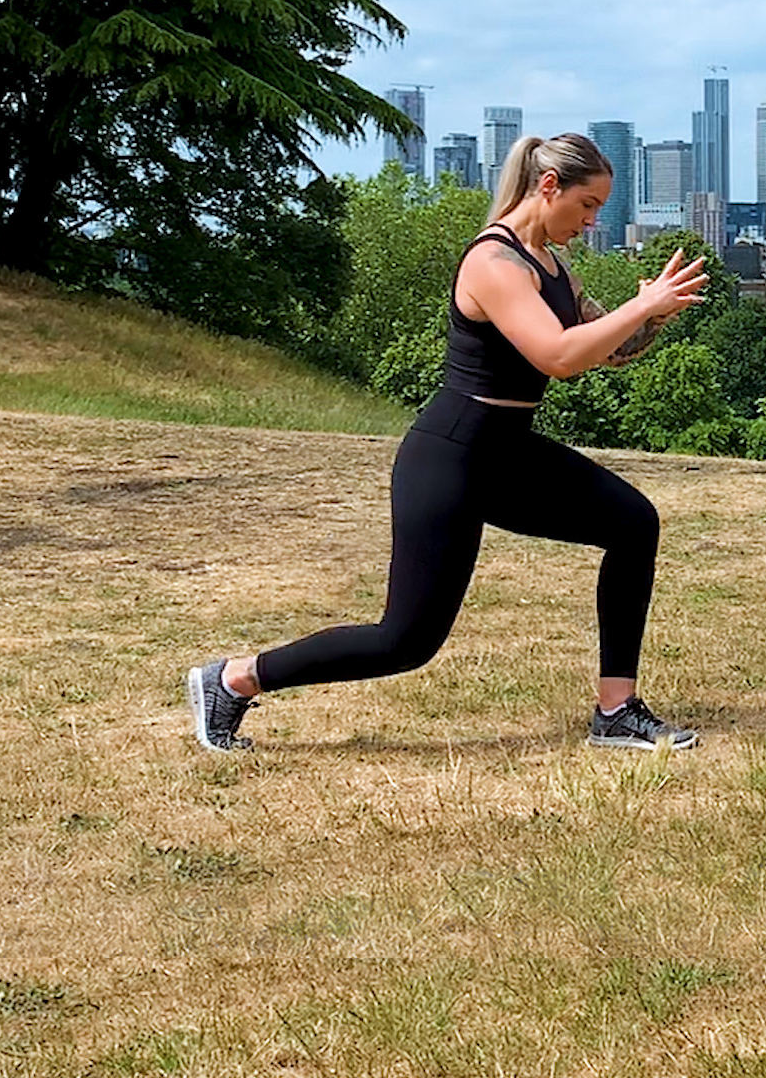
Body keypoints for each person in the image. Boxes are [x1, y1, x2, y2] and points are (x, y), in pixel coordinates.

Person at [187, 132, 707, 754]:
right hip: (452, 456)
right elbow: (558, 356)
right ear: (548, 188)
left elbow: (606, 348)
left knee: (632, 524)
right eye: (588, 204)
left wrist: (650, 317)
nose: (594, 221)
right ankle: (233, 679)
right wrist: (639, 304)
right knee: (405, 642)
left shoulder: (553, 265)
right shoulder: (494, 263)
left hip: (508, 451)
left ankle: (615, 711)